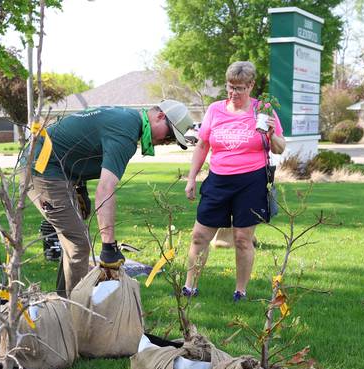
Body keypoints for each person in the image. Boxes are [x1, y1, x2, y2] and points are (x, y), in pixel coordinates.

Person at [25, 100, 195, 296]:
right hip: (42, 169)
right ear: (160, 116)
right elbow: (105, 189)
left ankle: (63, 302)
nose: (168, 141)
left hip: (56, 171)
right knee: (78, 243)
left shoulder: (126, 118)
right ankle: (73, 313)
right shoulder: (126, 132)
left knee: (74, 241)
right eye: (170, 134)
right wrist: (109, 246)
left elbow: (80, 144)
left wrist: (79, 186)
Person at [182, 61, 285, 302]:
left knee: (242, 239)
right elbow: (203, 145)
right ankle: (189, 287)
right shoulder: (215, 110)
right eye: (230, 87)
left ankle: (240, 291)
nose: (233, 93)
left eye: (239, 88)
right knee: (199, 236)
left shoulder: (265, 109)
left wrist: (271, 134)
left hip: (252, 181)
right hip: (218, 180)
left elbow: (280, 148)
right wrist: (191, 178)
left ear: (250, 86)